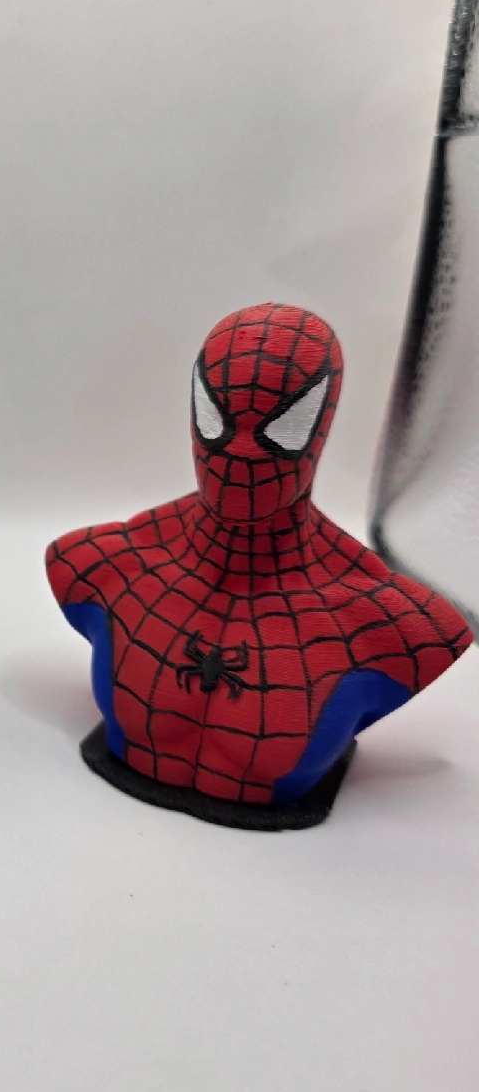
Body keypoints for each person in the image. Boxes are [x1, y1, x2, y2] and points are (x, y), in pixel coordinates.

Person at [46, 302, 472, 827]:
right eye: (216, 421)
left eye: (284, 428)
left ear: (321, 425)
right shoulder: (102, 562)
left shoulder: (398, 623)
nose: (241, 454)